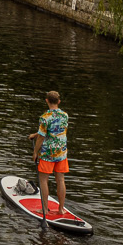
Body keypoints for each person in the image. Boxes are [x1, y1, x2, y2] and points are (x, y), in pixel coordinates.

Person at [30, 90, 71, 222]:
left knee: (43, 180)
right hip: (61, 153)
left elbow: (42, 137)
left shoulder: (45, 117)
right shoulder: (65, 115)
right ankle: (61, 209)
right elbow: (57, 130)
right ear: (59, 102)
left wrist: (35, 152)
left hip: (48, 153)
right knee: (60, 180)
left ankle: (44, 209)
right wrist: (35, 134)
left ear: (47, 101)